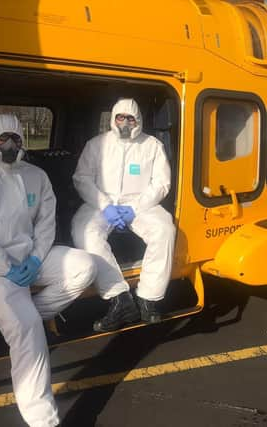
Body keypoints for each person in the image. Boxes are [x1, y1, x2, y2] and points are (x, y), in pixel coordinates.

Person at [0, 114, 97, 427]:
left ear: (23, 141)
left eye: (15, 139)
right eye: (3, 138)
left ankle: (29, 315)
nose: (10, 144)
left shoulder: (36, 176)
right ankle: (42, 419)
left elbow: (46, 223)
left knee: (85, 266)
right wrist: (5, 265)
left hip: (30, 257)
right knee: (28, 328)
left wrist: (35, 258)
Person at [72, 98, 175, 332]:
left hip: (140, 203)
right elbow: (82, 178)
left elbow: (161, 183)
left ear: (137, 120)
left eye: (130, 118)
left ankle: (149, 298)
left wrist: (134, 209)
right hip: (100, 203)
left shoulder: (152, 146)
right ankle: (120, 299)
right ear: (113, 119)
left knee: (165, 229)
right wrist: (105, 206)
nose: (125, 122)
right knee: (84, 231)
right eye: (120, 117)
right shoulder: (96, 144)